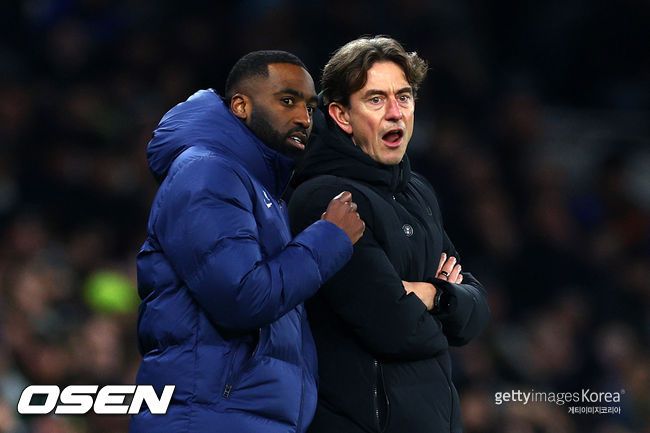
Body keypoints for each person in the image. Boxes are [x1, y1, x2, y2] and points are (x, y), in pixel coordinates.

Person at [130, 51, 365, 433]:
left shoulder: (256, 188)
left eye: (310, 107)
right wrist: (329, 238)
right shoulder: (207, 172)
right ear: (241, 105)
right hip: (207, 418)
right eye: (287, 101)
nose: (303, 118)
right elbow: (242, 297)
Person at [289, 37, 490, 433]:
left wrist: (430, 294)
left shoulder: (418, 192)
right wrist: (445, 300)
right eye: (376, 99)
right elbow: (396, 328)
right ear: (342, 115)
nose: (396, 113)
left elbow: (476, 313)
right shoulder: (327, 198)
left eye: (404, 97)